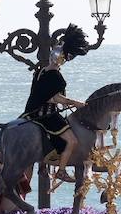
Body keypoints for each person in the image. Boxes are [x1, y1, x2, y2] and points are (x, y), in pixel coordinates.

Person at [20, 35, 88, 183]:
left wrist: (66, 103)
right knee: (72, 141)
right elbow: (55, 99)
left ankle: (45, 161)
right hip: (47, 115)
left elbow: (44, 95)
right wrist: (75, 103)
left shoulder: (40, 72)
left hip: (30, 113)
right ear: (62, 59)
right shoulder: (57, 77)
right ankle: (61, 171)